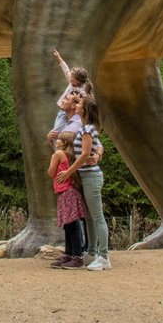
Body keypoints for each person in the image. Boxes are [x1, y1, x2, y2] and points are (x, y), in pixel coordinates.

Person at [58, 96, 111, 271]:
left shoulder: (87, 129)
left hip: (91, 177)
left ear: (85, 109)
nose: (78, 105)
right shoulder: (84, 128)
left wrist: (68, 172)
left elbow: (84, 154)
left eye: (80, 103)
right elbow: (93, 149)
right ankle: (92, 251)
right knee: (88, 217)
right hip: (85, 177)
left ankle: (104, 257)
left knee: (97, 217)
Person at [47, 130, 89, 269]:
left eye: (59, 139)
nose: (56, 140)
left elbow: (51, 172)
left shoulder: (58, 154)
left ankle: (77, 256)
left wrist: (53, 156)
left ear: (64, 142)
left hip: (65, 192)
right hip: (70, 191)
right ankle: (70, 254)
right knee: (69, 224)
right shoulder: (71, 156)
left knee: (71, 225)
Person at [48, 49, 91, 141]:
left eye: (72, 76)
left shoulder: (83, 91)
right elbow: (65, 68)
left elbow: (88, 103)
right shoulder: (72, 82)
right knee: (56, 133)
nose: (69, 76)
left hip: (74, 114)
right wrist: (58, 57)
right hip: (63, 112)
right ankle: (59, 151)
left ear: (77, 80)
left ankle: (64, 151)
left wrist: (78, 99)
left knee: (62, 134)